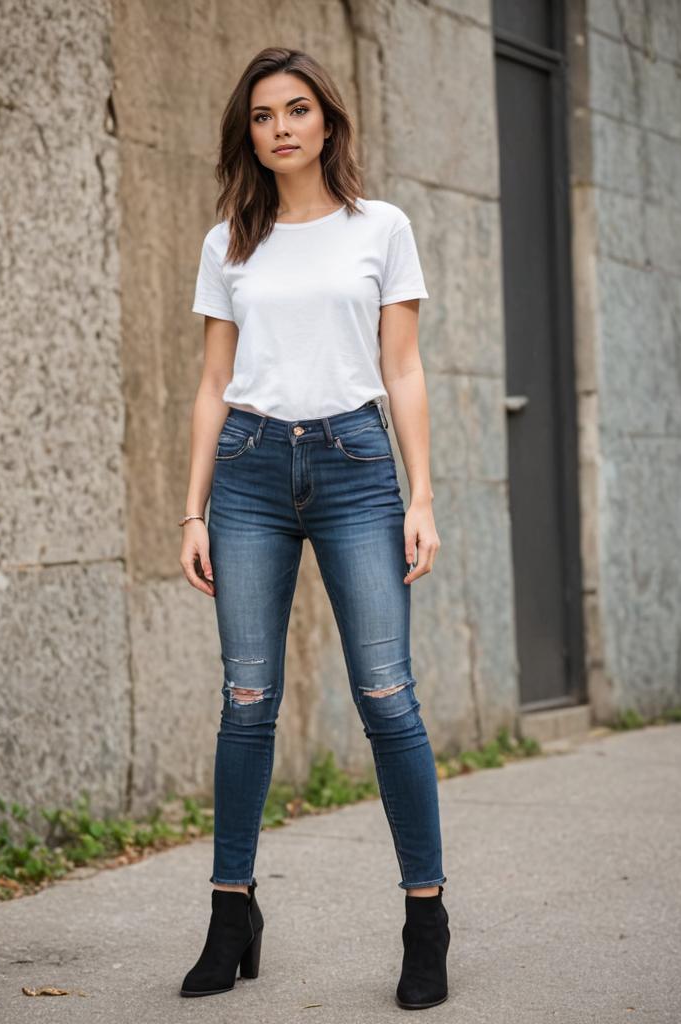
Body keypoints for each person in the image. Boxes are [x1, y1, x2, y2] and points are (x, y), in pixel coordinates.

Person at [177, 46, 449, 1010]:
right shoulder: (229, 243)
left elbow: (404, 368)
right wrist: (193, 508)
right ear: (247, 134)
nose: (281, 126)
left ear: (328, 121)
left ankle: (426, 918)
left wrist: (420, 495)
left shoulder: (382, 228)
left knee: (387, 696)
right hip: (249, 473)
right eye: (263, 115)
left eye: (298, 109)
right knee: (247, 698)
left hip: (355, 467)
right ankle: (230, 911)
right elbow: (213, 384)